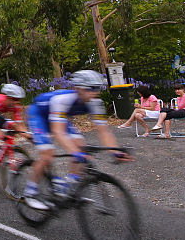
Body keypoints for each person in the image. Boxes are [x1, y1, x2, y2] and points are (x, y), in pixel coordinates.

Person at [24, 70, 131, 211]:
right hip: (38, 115)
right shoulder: (62, 100)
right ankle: (30, 192)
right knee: (47, 154)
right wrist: (75, 152)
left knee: (81, 146)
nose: (93, 93)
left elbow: (104, 130)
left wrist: (114, 151)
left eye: (96, 89)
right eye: (89, 89)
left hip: (58, 117)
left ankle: (69, 184)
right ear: (77, 88)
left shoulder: (95, 103)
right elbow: (58, 132)